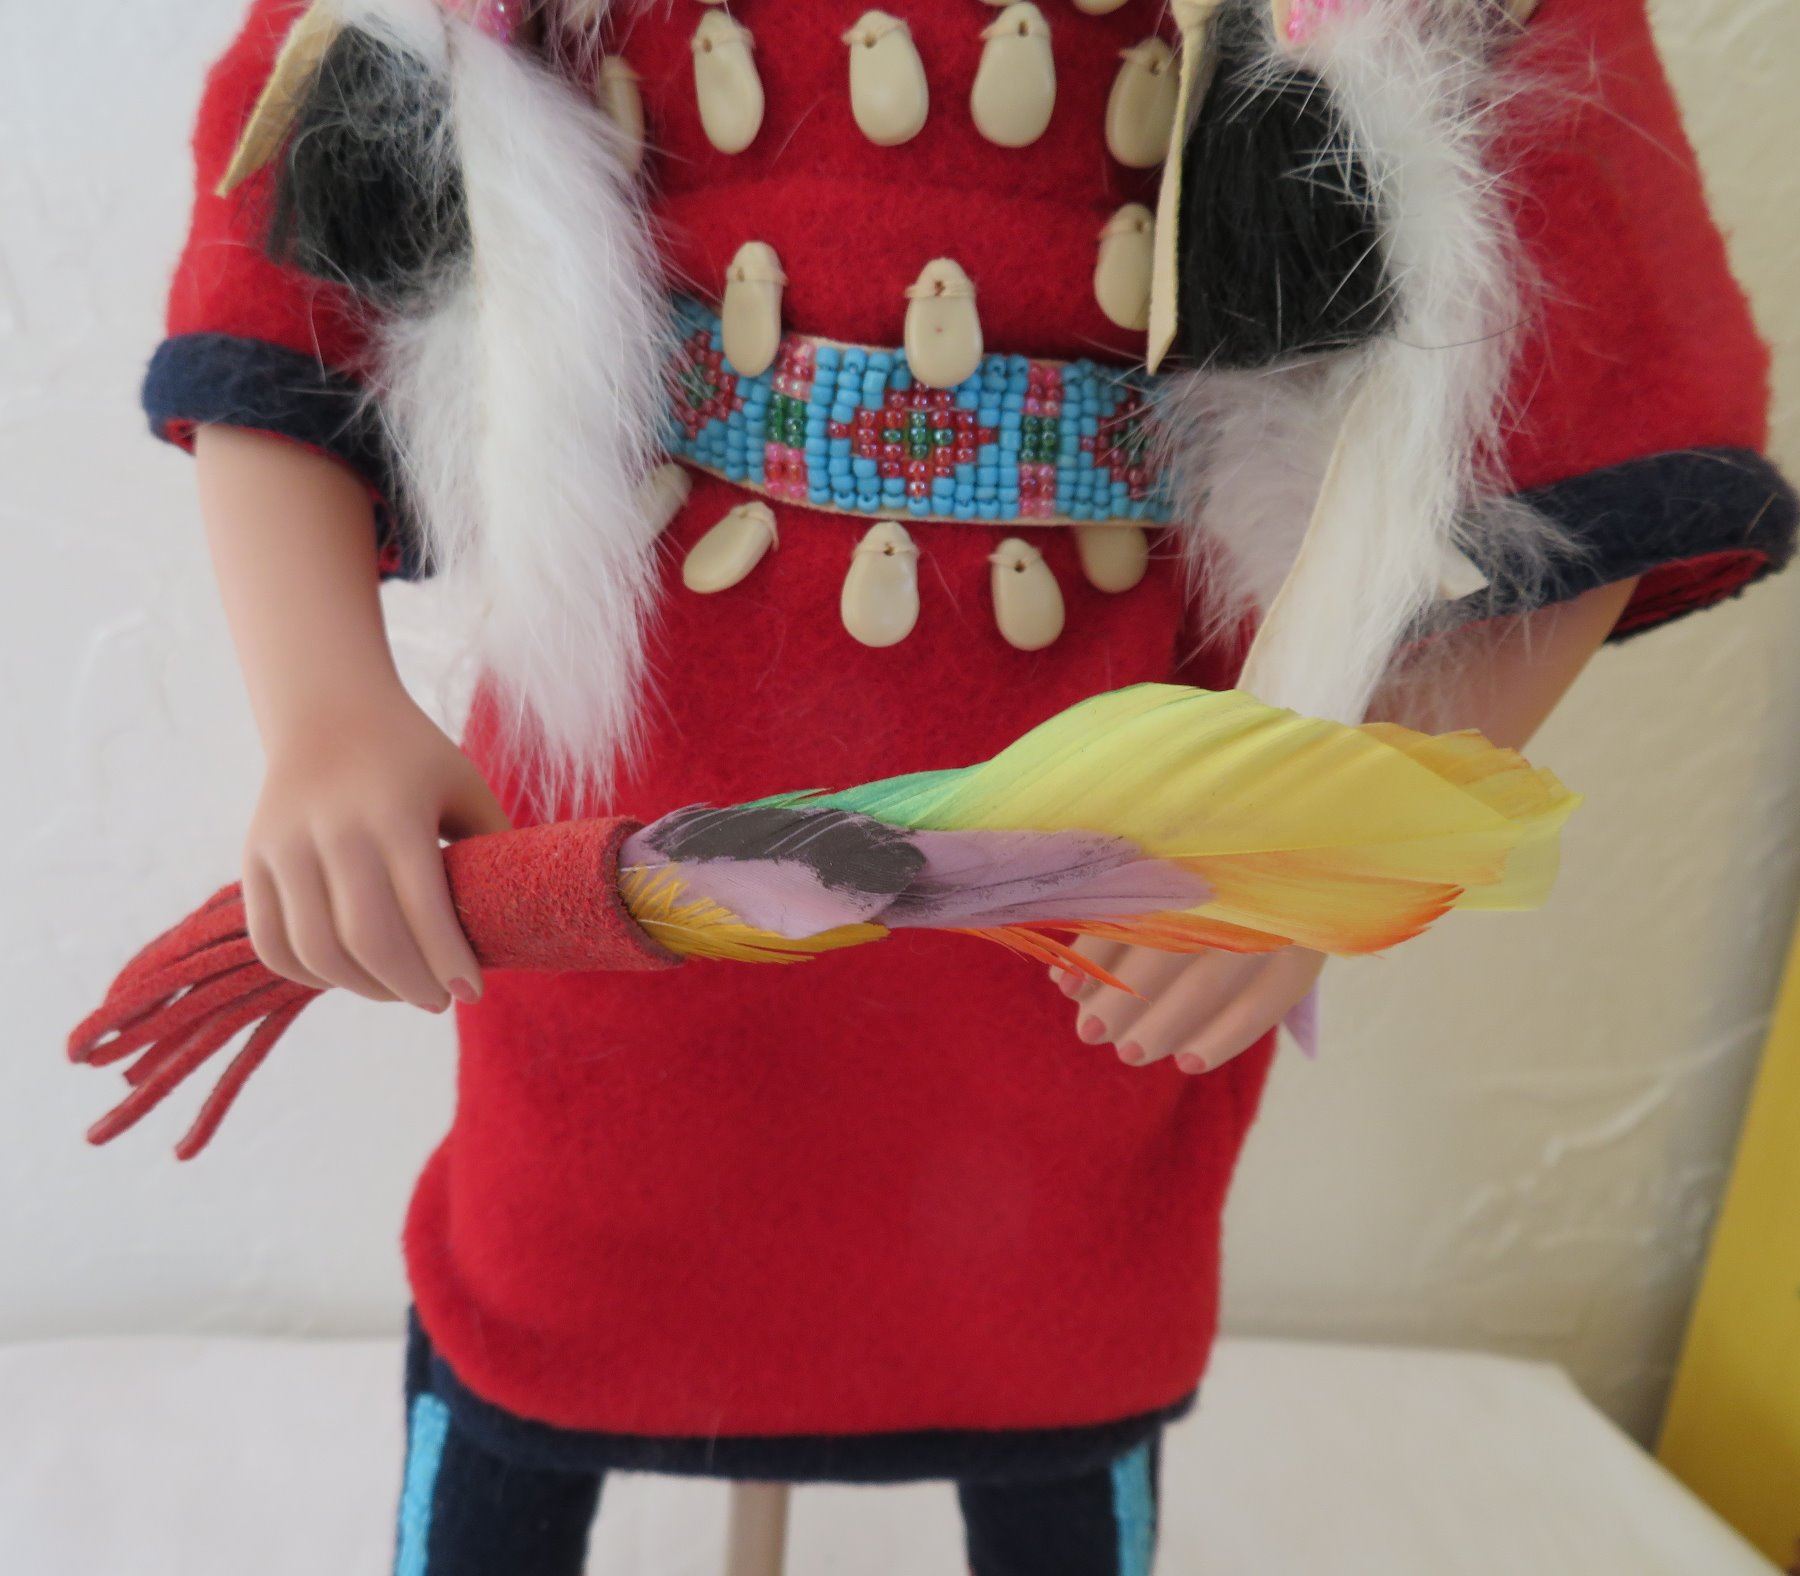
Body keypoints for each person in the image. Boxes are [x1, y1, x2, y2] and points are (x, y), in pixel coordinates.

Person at [143, 0, 1793, 1570]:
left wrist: (1338, 822)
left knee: (1062, 1304)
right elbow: (294, 238)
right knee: (548, 1259)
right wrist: (327, 705)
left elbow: (1603, 366)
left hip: (1116, 827)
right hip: (636, 780)